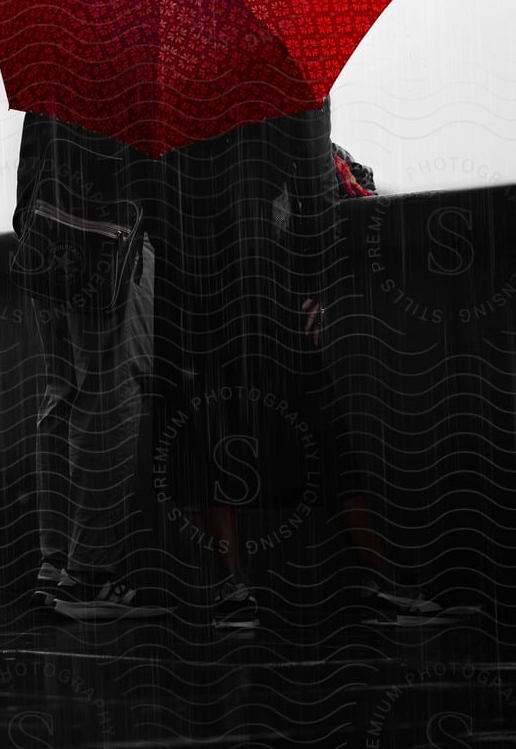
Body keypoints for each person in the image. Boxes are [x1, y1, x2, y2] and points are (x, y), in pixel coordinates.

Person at [144, 101, 442, 629]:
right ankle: (377, 577)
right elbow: (314, 187)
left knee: (219, 430)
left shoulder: (181, 77)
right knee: (323, 430)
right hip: (271, 278)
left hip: (201, 283)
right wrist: (316, 286)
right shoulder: (293, 68)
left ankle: (231, 584)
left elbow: (163, 191)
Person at [11, 105, 164, 622]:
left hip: (47, 236)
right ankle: (90, 577)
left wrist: (33, 221)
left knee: (61, 393)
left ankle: (55, 564)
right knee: (111, 396)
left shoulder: (62, 37)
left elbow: (32, 155)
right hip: (111, 242)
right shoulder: (138, 57)